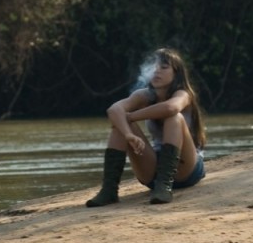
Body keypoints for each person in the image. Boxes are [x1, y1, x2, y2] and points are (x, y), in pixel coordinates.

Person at [86, 48, 206, 207]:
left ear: (177, 74)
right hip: (153, 171)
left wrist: (130, 116)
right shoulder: (145, 95)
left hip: (187, 170)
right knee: (119, 124)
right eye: (154, 67)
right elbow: (113, 110)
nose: (157, 71)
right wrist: (128, 134)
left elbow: (170, 108)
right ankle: (109, 190)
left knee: (173, 117)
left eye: (163, 67)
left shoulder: (183, 94)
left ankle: (165, 186)